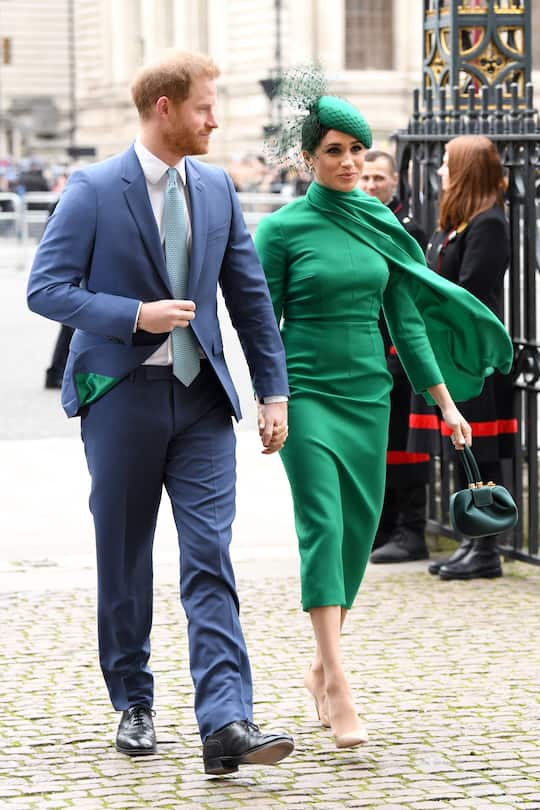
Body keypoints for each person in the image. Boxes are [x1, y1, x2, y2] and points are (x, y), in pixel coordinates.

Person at [27, 49, 295, 775]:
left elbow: (249, 299)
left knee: (210, 556)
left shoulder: (215, 187)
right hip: (121, 400)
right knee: (126, 557)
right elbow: (45, 289)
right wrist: (134, 315)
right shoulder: (92, 189)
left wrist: (274, 391)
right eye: (207, 106)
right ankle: (134, 702)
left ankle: (226, 720)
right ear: (165, 108)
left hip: (202, 401)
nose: (216, 119)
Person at [254, 87, 513, 749]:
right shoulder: (281, 231)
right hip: (307, 394)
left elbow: (408, 321)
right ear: (309, 157)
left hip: (369, 396)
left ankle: (320, 660)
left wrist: (448, 404)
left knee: (356, 535)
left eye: (357, 151)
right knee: (323, 523)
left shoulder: (383, 226)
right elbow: (262, 327)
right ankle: (339, 682)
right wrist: (271, 398)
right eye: (334, 151)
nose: (347, 162)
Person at [408, 135, 517, 581]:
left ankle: (486, 549)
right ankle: (471, 541)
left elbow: (469, 292)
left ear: (468, 170)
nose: (439, 172)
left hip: (475, 361)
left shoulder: (489, 223)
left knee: (480, 451)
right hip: (454, 357)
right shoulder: (458, 222)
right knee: (462, 449)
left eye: (447, 164)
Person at [359, 149, 430, 564]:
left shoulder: (408, 229)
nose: (371, 186)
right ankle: (383, 527)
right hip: (367, 351)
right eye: (366, 178)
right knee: (378, 446)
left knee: (406, 444)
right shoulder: (357, 221)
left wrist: (397, 354)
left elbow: (412, 296)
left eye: (378, 179)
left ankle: (412, 528)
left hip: (398, 353)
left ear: (394, 182)